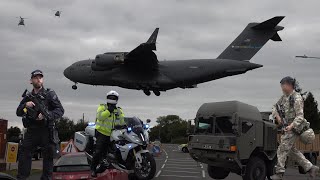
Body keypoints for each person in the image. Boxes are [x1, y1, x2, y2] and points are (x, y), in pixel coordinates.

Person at [16, 70, 64, 180]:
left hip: (46, 130)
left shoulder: (49, 94)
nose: (38, 79)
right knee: (24, 155)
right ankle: (22, 177)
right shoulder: (28, 96)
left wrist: (47, 115)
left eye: (40, 77)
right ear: (31, 80)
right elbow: (18, 112)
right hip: (32, 131)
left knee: (48, 157)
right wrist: (25, 105)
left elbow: (60, 110)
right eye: (36, 77)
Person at [270, 76, 319, 180]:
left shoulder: (297, 98)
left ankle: (279, 173)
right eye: (281, 86)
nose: (282, 88)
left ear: (290, 85)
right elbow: (275, 107)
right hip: (288, 126)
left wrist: (291, 126)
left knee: (282, 149)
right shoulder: (284, 97)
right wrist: (278, 117)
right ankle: (310, 168)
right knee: (292, 151)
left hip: (296, 127)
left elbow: (300, 116)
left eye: (284, 85)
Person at [91, 90, 125, 177]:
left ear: (117, 99)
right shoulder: (102, 107)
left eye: (114, 98)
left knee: (118, 150)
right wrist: (109, 111)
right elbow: (100, 117)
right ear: (107, 98)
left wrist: (124, 125)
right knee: (98, 151)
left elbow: (122, 121)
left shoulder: (118, 110)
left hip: (113, 134)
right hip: (102, 133)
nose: (112, 99)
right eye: (110, 97)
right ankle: (93, 169)